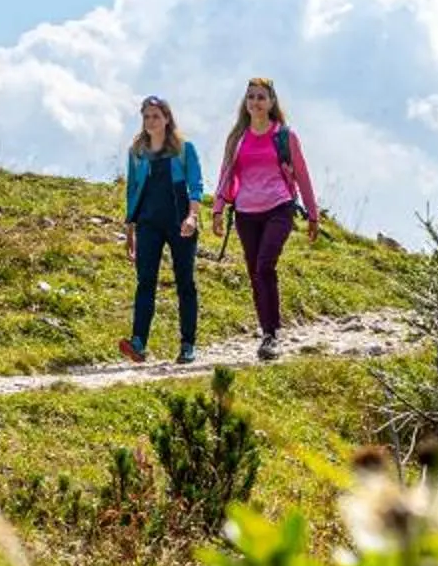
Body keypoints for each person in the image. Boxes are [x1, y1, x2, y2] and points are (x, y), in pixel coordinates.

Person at [212, 76, 322, 360]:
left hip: (279, 207)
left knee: (264, 266)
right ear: (245, 103)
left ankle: (272, 334)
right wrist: (218, 208)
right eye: (251, 97)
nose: (256, 102)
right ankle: (266, 333)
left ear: (271, 102)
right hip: (246, 213)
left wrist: (313, 213)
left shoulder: (284, 136)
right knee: (254, 273)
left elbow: (302, 174)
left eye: (261, 97)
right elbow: (226, 173)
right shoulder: (237, 138)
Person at [119, 95, 205, 364]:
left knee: (185, 283)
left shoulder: (183, 149)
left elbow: (196, 186)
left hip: (180, 223)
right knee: (145, 282)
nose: (150, 121)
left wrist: (192, 217)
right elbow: (132, 190)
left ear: (167, 118)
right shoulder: (137, 154)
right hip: (148, 224)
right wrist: (130, 230)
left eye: (156, 116)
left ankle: (188, 344)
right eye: (146, 117)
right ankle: (138, 343)